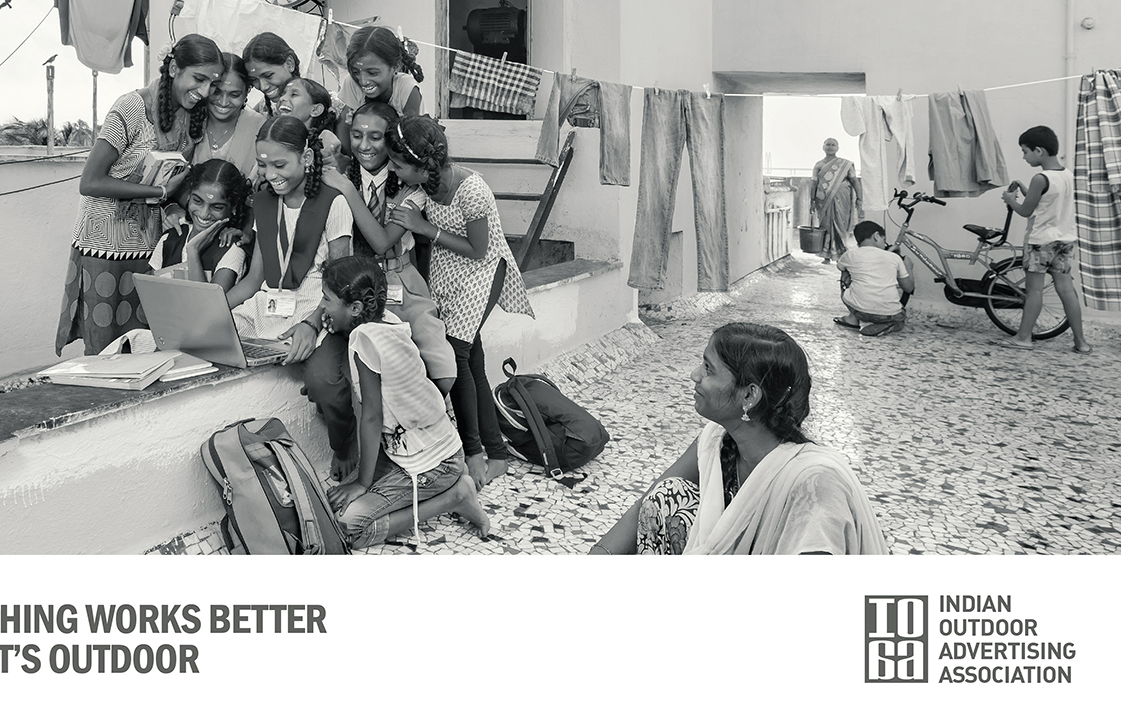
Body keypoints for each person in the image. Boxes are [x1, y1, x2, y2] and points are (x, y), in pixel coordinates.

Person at [591, 323, 888, 555]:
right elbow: (645, 503)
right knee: (666, 497)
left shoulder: (815, 482)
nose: (694, 375)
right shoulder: (717, 442)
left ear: (749, 396)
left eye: (708, 369)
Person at [387, 116, 535, 489]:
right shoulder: (422, 187)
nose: (393, 170)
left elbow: (478, 249)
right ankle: (496, 453)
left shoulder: (472, 191)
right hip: (448, 273)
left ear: (421, 165)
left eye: (398, 164)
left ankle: (473, 453)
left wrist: (424, 228)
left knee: (456, 353)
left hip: (482, 271)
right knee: (472, 360)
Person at [56, 33, 223, 356]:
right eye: (198, 79)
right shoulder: (131, 107)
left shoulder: (191, 116)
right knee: (106, 350)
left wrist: (171, 205)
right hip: (104, 248)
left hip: (150, 248)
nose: (204, 92)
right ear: (173, 68)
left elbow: (173, 180)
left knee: (146, 345)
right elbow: (90, 181)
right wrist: (159, 192)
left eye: (211, 84)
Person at [321, 257, 490, 548]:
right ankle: (446, 489)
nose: (322, 306)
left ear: (356, 308)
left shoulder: (365, 339)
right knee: (333, 503)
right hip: (426, 448)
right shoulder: (387, 320)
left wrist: (362, 484)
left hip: (436, 463)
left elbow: (372, 417)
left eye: (327, 299)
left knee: (347, 526)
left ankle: (456, 496)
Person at [223, 115, 358, 476]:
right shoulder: (265, 202)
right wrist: (214, 310)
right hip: (268, 304)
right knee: (215, 340)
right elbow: (254, 280)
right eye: (263, 164)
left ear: (307, 158)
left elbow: (340, 281)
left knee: (324, 382)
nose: (270, 174)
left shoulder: (333, 203)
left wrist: (311, 325)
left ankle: (345, 442)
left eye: (280, 165)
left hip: (317, 307)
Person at [320, 101, 456, 385]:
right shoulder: (339, 174)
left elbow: (382, 243)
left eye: (375, 137)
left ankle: (434, 408)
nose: (364, 145)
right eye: (357, 135)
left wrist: (348, 190)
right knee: (366, 370)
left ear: (391, 141)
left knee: (441, 367)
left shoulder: (410, 186)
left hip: (401, 281)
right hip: (357, 285)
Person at [1000, 125, 1092, 353]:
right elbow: (1049, 200)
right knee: (1067, 290)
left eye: (1025, 151)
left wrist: (1010, 200)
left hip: (1040, 242)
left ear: (1039, 150)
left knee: (1034, 291)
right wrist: (1027, 190)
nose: (1024, 157)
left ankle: (1023, 337)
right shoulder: (1068, 174)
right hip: (1065, 240)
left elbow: (1025, 211)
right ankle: (1081, 342)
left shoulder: (1040, 178)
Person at [148, 158, 252, 292]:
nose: (204, 214)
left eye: (217, 207)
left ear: (234, 207)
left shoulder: (232, 248)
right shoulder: (170, 238)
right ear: (189, 195)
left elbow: (209, 303)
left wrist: (193, 251)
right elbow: (150, 293)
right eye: (197, 201)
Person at [335, 25, 424, 155]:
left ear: (395, 67)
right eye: (355, 72)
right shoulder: (352, 83)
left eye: (372, 73)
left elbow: (411, 140)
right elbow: (343, 126)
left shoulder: (406, 87)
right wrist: (345, 160)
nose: (363, 81)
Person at [833, 220, 915, 336]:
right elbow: (908, 288)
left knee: (845, 271)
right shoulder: (894, 258)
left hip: (859, 311)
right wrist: (908, 266)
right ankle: (891, 324)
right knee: (900, 317)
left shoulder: (849, 255)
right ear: (876, 236)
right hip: (891, 314)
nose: (884, 244)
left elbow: (840, 267)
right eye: (884, 240)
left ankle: (852, 319)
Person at [191, 53, 265, 180]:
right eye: (216, 92)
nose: (223, 102)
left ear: (247, 92)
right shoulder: (189, 119)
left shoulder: (260, 127)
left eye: (234, 95)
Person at [810, 138, 863, 264]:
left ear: (837, 148)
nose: (830, 147)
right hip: (823, 200)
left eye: (833, 145)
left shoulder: (845, 164)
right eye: (828, 144)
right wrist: (812, 201)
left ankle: (841, 253)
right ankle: (826, 255)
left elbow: (854, 181)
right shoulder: (818, 165)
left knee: (841, 224)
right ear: (823, 147)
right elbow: (814, 184)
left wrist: (860, 198)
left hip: (842, 198)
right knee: (826, 225)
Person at [241, 32, 301, 113]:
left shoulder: (311, 104)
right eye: (254, 80)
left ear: (289, 64)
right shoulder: (263, 108)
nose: (263, 87)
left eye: (268, 75)